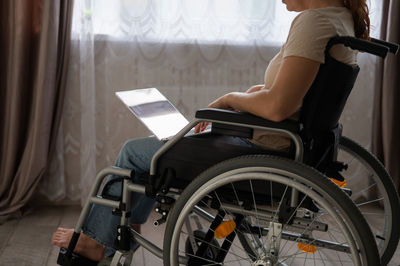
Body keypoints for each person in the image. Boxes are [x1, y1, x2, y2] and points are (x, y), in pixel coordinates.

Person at [52, 0, 370, 262]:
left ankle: (97, 243)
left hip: (264, 148)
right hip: (285, 142)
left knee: (135, 152)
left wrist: (231, 99)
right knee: (164, 142)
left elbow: (277, 108)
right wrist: (242, 100)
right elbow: (290, 93)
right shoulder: (339, 18)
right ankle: (117, 231)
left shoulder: (312, 22)